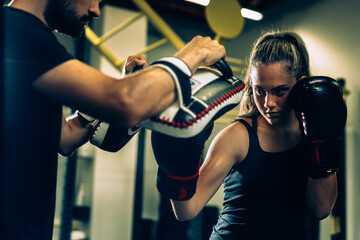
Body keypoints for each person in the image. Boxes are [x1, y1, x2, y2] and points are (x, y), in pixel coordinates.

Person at [1, 0, 226, 238]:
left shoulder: (24, 35)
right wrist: (193, 54)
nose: (96, 10)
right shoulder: (15, 30)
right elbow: (127, 103)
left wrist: (118, 89)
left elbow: (65, 138)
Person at [151, 31, 347, 239]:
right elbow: (186, 210)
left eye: (280, 91)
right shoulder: (238, 137)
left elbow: (321, 210)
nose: (268, 103)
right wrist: (176, 163)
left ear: (301, 83)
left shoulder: (314, 132)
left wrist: (324, 143)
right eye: (259, 90)